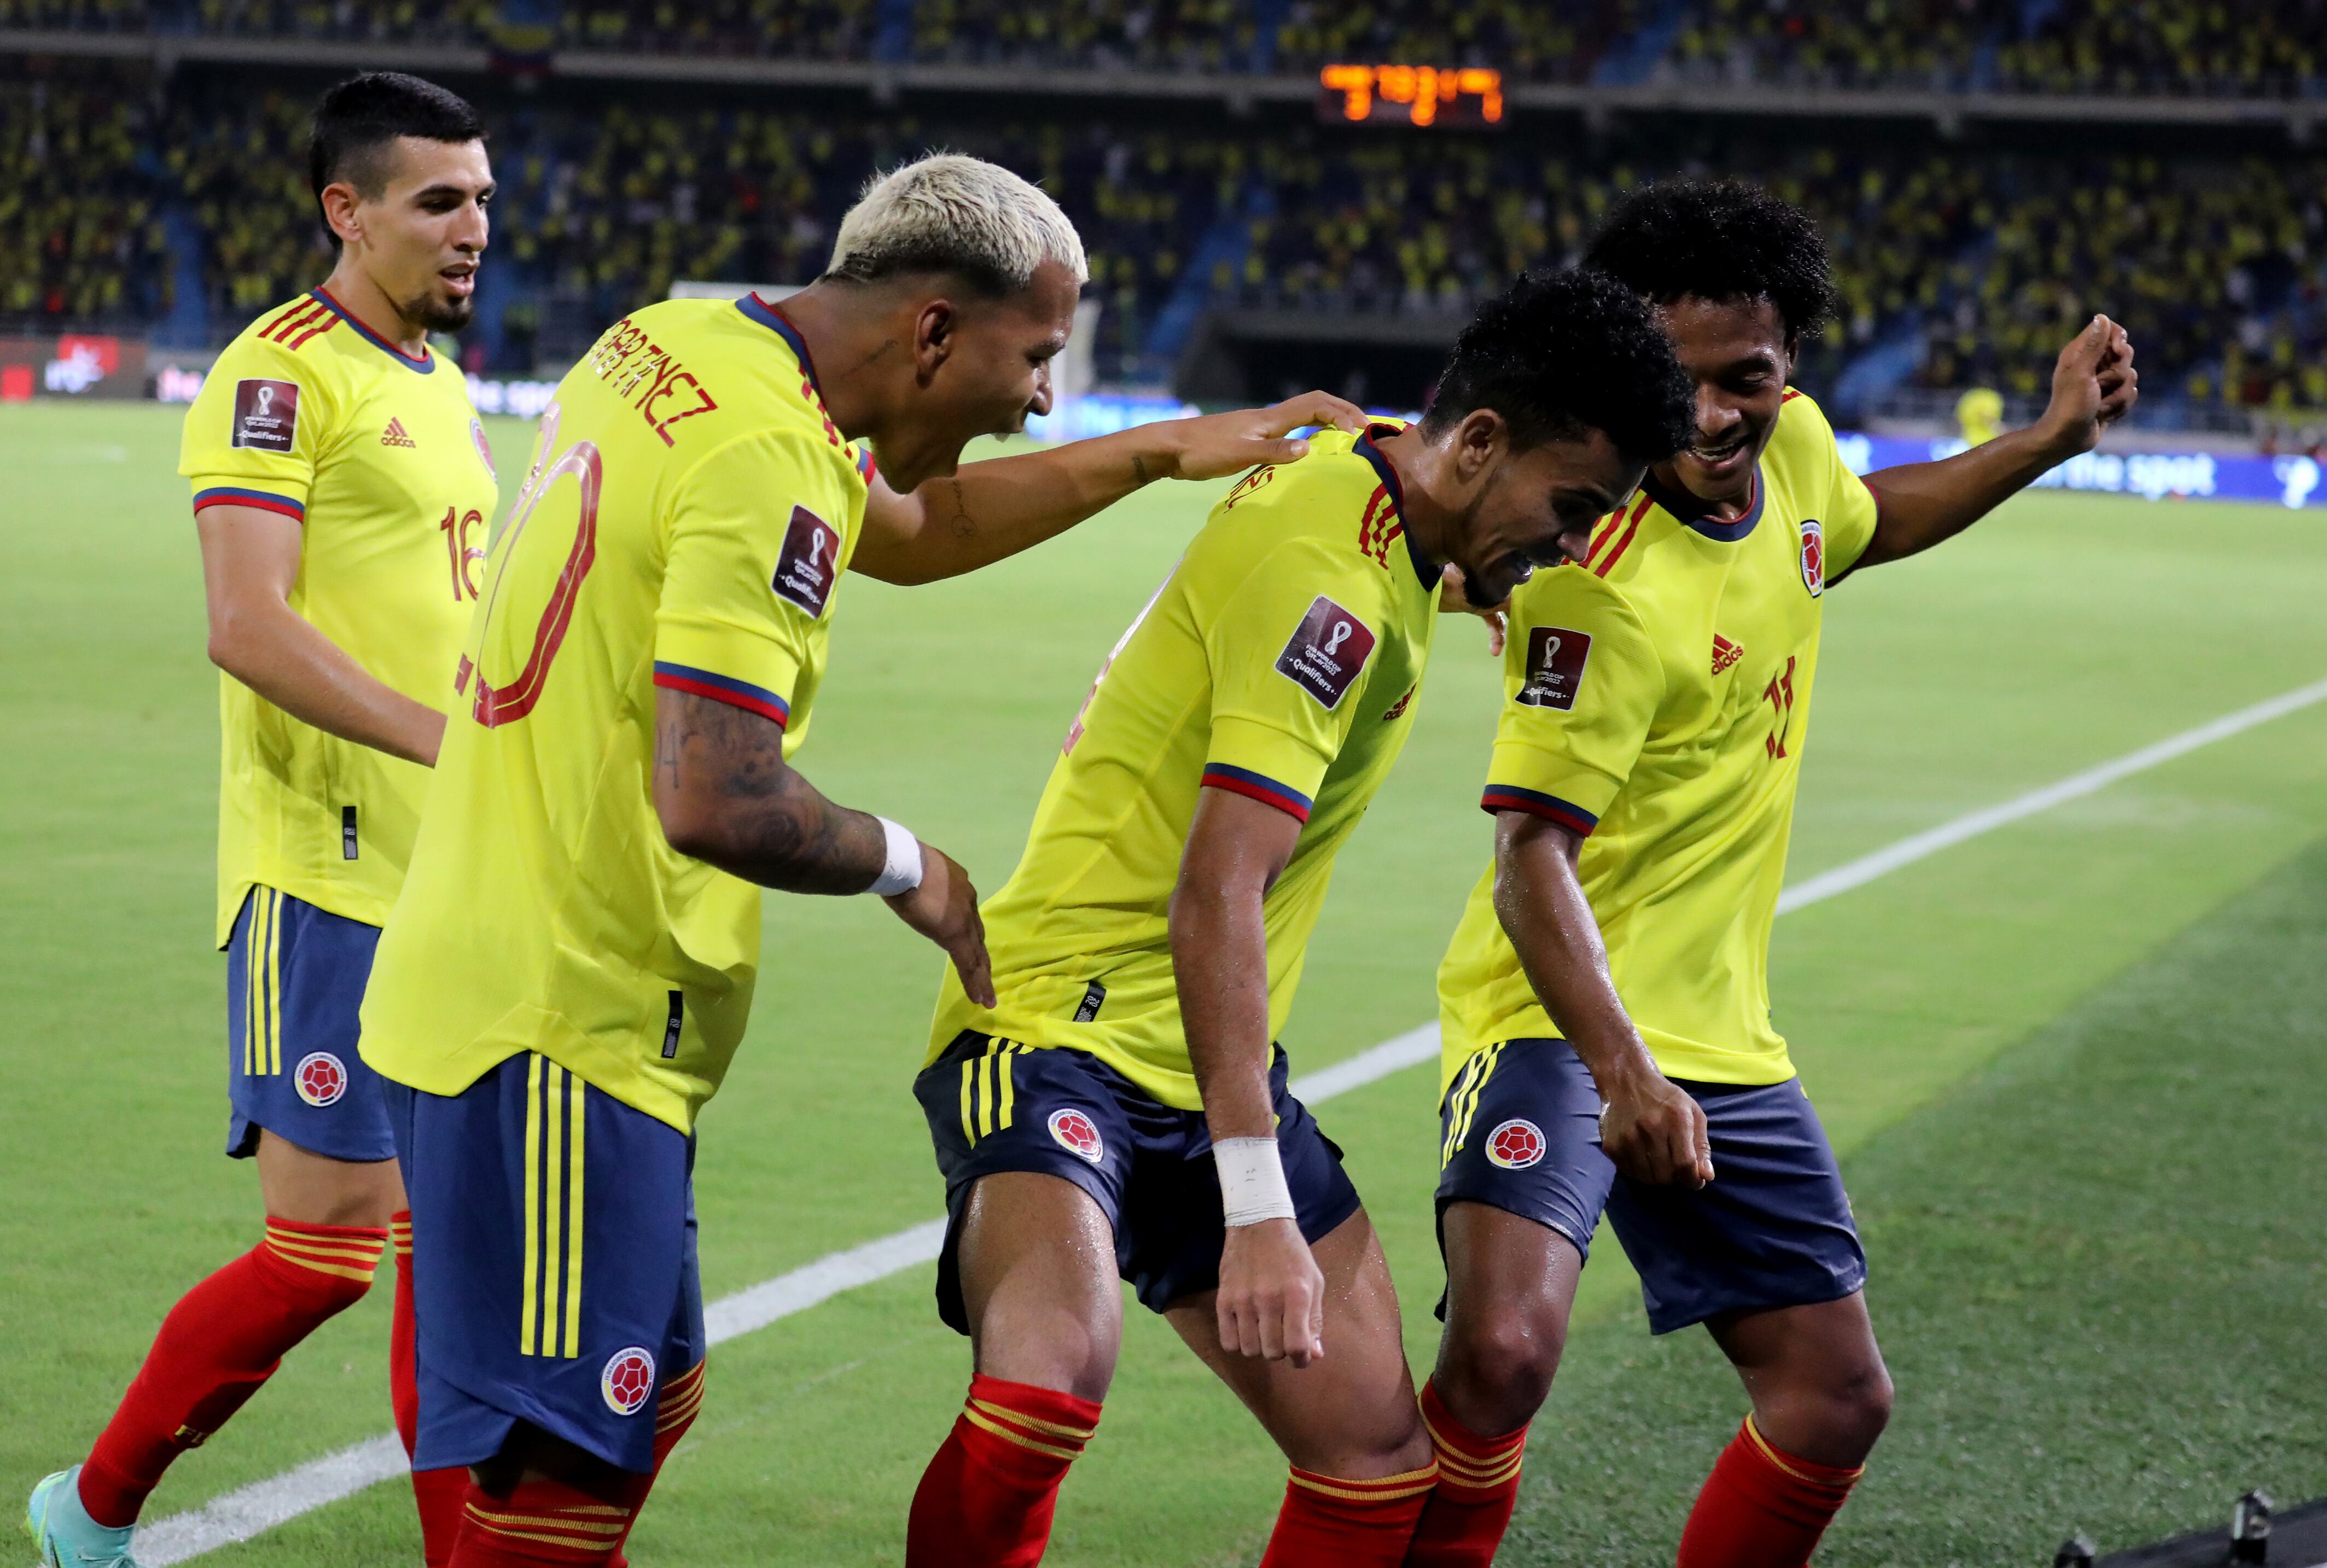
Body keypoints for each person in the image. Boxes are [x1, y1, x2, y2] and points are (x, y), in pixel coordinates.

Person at [353, 150, 1376, 1568]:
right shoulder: (771, 455)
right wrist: (914, 866)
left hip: (500, 977)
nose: (1041, 395)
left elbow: (897, 531)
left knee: (643, 1401)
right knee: (564, 1473)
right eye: (1034, 355)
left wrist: (1156, 450)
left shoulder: (666, 342)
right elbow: (715, 791)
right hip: (557, 1021)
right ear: (932, 331)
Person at [905, 267, 1694, 1568]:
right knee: (1050, 1382)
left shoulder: (1373, 485)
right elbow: (1218, 888)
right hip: (1058, 1025)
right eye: (1570, 511)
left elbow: (1394, 530)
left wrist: (1482, 574)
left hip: (1201, 1053)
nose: (1563, 546)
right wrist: (1257, 1204)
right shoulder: (1332, 583)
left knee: (1376, 1466)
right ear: (1482, 442)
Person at [1421, 180, 2137, 1567]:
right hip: (1558, 1018)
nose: (1710, 418)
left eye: (1745, 379)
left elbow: (1861, 522)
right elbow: (1528, 867)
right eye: (1674, 385)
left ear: (1794, 363)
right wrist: (1626, 1071)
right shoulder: (1593, 581)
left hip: (1724, 1037)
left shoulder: (1801, 454)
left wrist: (2049, 441)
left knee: (1835, 1396)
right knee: (1503, 1354)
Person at [27, 71, 498, 1568]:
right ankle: (91, 1507)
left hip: (457, 872)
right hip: (331, 871)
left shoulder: (433, 380)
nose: (475, 226)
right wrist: (449, 745)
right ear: (345, 214)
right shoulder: (278, 371)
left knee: (456, 1248)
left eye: (484, 197)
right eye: (440, 200)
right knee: (324, 1252)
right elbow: (248, 623)